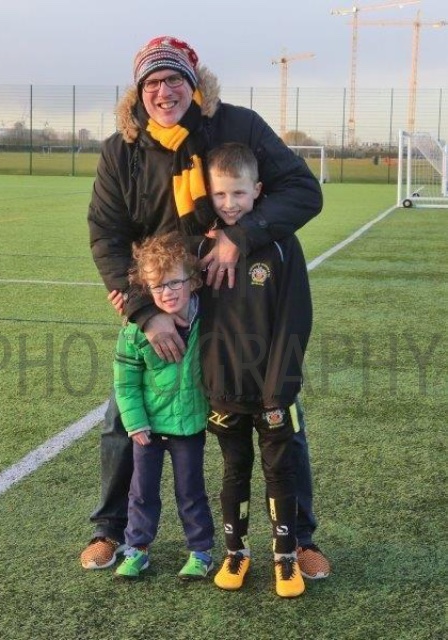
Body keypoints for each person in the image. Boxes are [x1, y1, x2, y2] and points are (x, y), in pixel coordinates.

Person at [82, 35, 329, 580]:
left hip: (235, 296)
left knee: (278, 411)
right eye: (152, 82)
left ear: (194, 85)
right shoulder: (121, 150)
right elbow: (107, 234)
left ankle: (301, 538)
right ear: (138, 92)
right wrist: (146, 311)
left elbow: (302, 191)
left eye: (174, 79)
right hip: (163, 298)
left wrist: (240, 235)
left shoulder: (237, 126)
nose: (164, 91)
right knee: (125, 414)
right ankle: (109, 530)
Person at [199, 142, 313, 597]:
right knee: (234, 471)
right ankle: (236, 552)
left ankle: (286, 558)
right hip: (225, 387)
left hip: (272, 390)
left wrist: (279, 389)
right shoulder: (203, 244)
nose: (230, 204)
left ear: (258, 191)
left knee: (280, 472)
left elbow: (295, 318)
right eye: (220, 194)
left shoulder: (283, 244)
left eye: (239, 193)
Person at [113, 232, 214, 580]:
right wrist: (135, 423)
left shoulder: (208, 320)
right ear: (146, 288)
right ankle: (137, 549)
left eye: (174, 283)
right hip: (148, 430)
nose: (167, 292)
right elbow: (125, 382)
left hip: (189, 427)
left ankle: (201, 551)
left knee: (191, 492)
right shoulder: (135, 331)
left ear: (194, 281)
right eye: (157, 286)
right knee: (142, 493)